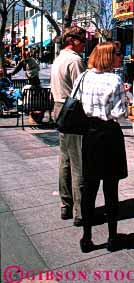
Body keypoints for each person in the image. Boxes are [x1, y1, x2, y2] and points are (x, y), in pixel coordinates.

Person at [74, 42, 128, 253]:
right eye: (117, 53)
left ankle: (86, 238)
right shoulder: (114, 79)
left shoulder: (84, 77)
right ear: (108, 56)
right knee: (110, 188)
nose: (120, 57)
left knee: (90, 188)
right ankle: (112, 237)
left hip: (90, 135)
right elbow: (119, 113)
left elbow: (77, 102)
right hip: (109, 135)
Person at [50, 26, 86, 227]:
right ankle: (80, 211)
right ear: (72, 40)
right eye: (82, 40)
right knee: (77, 162)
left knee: (65, 160)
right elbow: (81, 90)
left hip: (59, 107)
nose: (84, 44)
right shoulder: (74, 60)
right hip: (71, 110)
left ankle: (66, 205)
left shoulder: (59, 59)